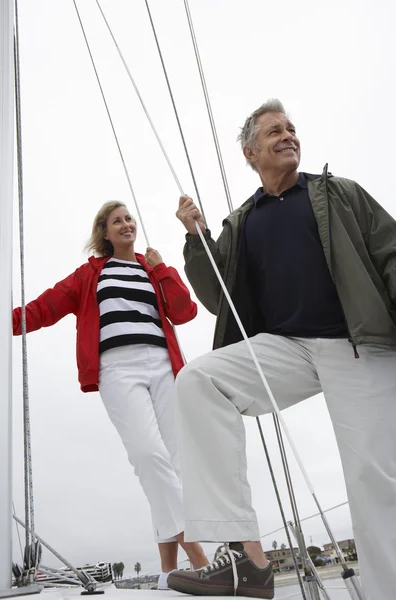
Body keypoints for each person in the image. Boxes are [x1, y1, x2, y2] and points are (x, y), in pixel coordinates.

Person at [167, 99, 396, 600]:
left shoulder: (338, 193)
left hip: (356, 343)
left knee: (373, 478)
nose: (288, 135)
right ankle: (244, 560)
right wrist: (198, 236)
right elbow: (217, 296)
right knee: (200, 380)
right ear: (251, 152)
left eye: (291, 128)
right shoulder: (242, 222)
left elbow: (390, 253)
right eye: (274, 131)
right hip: (287, 349)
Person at [13, 200, 208, 589]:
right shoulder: (91, 274)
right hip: (118, 367)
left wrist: (163, 268)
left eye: (129, 218)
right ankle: (199, 558)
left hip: (164, 367)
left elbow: (185, 312)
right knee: (149, 456)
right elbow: (43, 308)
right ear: (104, 232)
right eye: (117, 220)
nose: (126, 224)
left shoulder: (151, 269)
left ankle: (168, 572)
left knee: (175, 464)